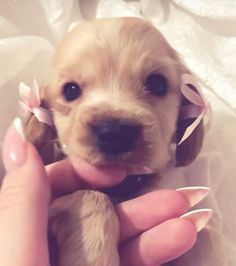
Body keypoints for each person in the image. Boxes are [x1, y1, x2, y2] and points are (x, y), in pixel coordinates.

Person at [0, 118, 210, 266]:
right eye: (72, 91)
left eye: (156, 85)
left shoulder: (185, 174)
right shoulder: (53, 181)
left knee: (201, 241)